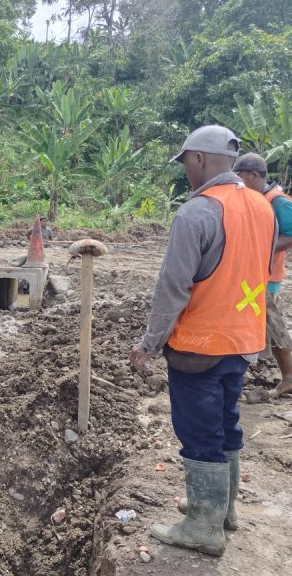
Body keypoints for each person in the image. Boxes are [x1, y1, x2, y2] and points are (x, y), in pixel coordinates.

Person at [129, 125, 276, 556]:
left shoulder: (197, 213)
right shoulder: (260, 206)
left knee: (199, 434)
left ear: (197, 159)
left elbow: (172, 288)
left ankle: (204, 526)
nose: (185, 173)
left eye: (185, 164)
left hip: (200, 344)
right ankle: (223, 511)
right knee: (227, 424)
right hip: (244, 339)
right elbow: (259, 270)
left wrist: (150, 343)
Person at [234, 152, 292, 397]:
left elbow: (289, 235)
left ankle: (289, 377)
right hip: (254, 275)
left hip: (266, 277)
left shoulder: (276, 200)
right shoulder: (258, 199)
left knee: (273, 322)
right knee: (256, 322)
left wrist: (261, 250)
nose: (237, 182)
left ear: (254, 175)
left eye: (241, 176)